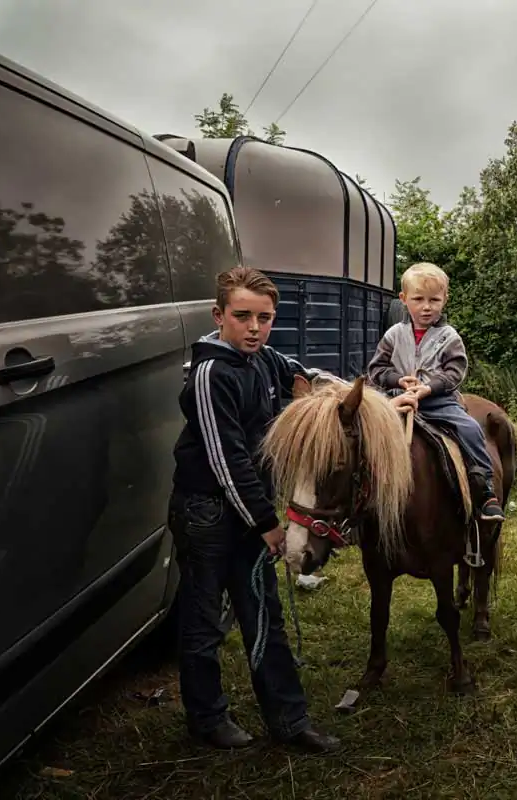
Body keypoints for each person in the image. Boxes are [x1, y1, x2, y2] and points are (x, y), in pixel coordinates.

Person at [168, 266, 340, 752]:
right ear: (218, 315)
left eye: (264, 318)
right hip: (207, 512)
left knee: (265, 613)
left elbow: (297, 370)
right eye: (242, 316)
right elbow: (227, 459)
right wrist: (267, 523)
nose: (254, 328)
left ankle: (288, 721)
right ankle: (206, 717)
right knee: (204, 622)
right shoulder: (210, 373)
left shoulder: (263, 358)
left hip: (249, 511)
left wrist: (311, 382)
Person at [366, 262, 505, 522]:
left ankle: (485, 489)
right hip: (399, 399)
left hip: (439, 402)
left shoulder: (449, 336)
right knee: (366, 434)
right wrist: (399, 380)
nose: (426, 306)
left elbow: (456, 371)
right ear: (404, 299)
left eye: (434, 299)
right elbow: (377, 369)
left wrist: (428, 388)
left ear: (445, 300)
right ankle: (362, 498)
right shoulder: (393, 335)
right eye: (418, 299)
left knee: (470, 428)